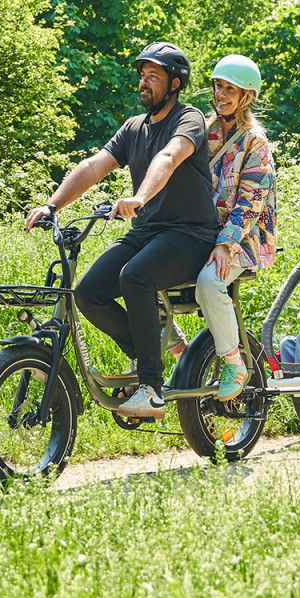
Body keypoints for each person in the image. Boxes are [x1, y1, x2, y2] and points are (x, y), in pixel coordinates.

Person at [24, 42, 218, 420]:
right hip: (148, 233)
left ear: (175, 84)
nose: (144, 83)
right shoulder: (135, 127)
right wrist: (52, 205)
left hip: (190, 236)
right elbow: (95, 166)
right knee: (88, 292)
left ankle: (151, 386)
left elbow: (169, 157)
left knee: (135, 276)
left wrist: (140, 196)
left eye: (154, 77)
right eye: (142, 76)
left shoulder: (188, 119)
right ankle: (148, 350)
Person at [194, 54, 277, 401]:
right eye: (218, 86)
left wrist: (226, 244)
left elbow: (250, 202)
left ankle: (234, 362)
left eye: (231, 89)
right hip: (201, 233)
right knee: (144, 276)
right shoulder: (202, 132)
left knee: (210, 281)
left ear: (247, 96)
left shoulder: (255, 142)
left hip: (245, 237)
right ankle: (178, 354)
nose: (222, 94)